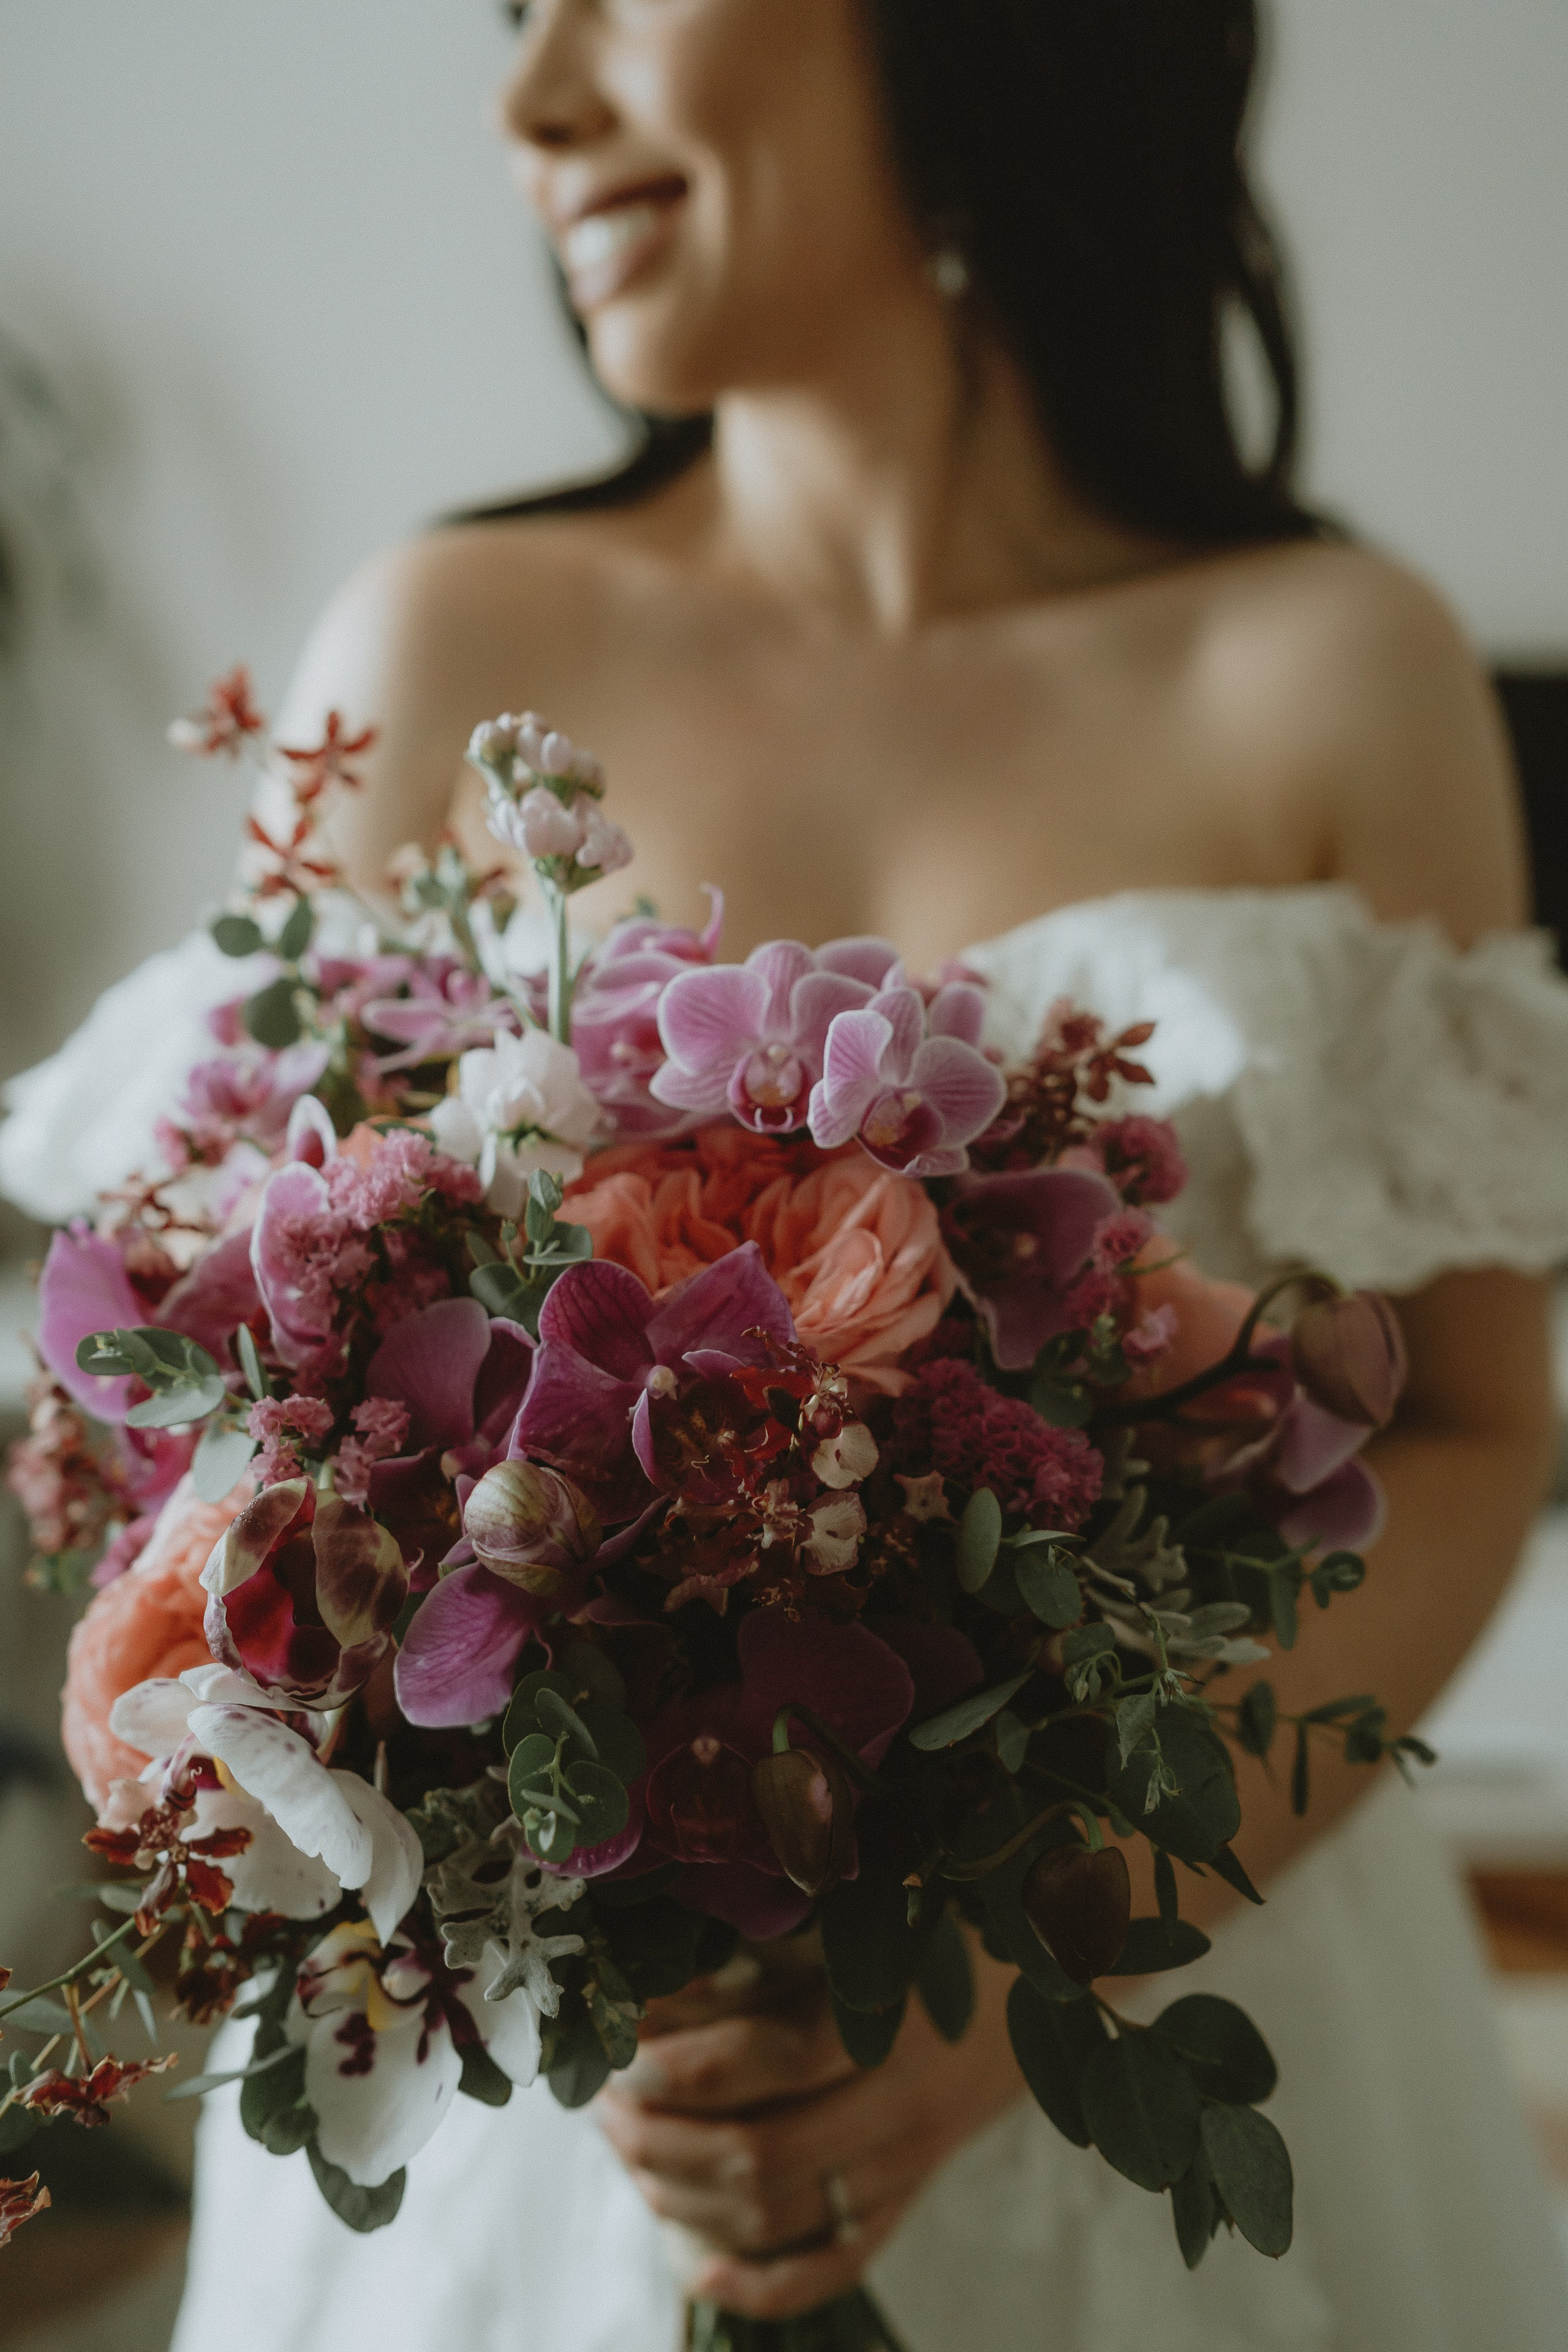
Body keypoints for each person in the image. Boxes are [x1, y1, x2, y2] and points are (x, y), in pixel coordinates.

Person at [7, 4, 1568, 2346]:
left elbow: (1471, 1424)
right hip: (542, 2134)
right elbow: (219, 1423)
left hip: (1147, 2031)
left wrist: (1032, 1958)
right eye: (511, 27)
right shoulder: (439, 648)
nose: (528, 110)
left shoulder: (1340, 673)